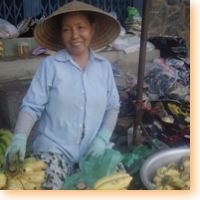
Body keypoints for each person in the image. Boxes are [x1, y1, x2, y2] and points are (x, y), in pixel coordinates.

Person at [4, 0, 123, 190]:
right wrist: (19, 137)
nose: (74, 35)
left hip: (93, 150)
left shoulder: (104, 68)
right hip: (54, 148)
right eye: (67, 29)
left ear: (93, 28)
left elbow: (112, 107)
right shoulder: (50, 66)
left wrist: (102, 138)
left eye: (81, 27)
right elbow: (31, 107)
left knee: (117, 187)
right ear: (61, 34)